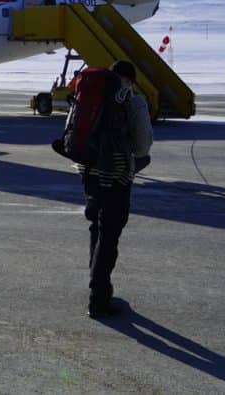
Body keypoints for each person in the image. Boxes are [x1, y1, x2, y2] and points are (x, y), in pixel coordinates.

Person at [81, 60, 152, 319]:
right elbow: (143, 146)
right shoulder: (132, 100)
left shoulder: (91, 94)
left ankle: (98, 284)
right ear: (130, 80)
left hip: (88, 172)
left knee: (96, 227)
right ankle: (98, 297)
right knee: (110, 233)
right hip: (116, 175)